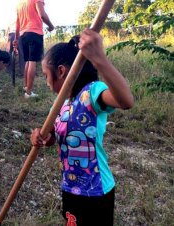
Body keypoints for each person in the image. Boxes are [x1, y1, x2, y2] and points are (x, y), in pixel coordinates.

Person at [30, 30, 134, 225]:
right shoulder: (60, 103)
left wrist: (99, 59)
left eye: (45, 75)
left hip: (96, 191)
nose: (45, 82)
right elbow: (52, 137)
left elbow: (126, 100)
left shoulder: (92, 92)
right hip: (70, 186)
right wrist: (41, 136)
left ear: (60, 71)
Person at [14, 0, 54, 98]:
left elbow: (18, 22)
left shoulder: (20, 3)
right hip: (35, 32)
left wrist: (16, 38)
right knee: (32, 61)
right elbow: (42, 14)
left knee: (28, 61)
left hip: (23, 34)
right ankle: (28, 92)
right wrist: (51, 26)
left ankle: (26, 86)